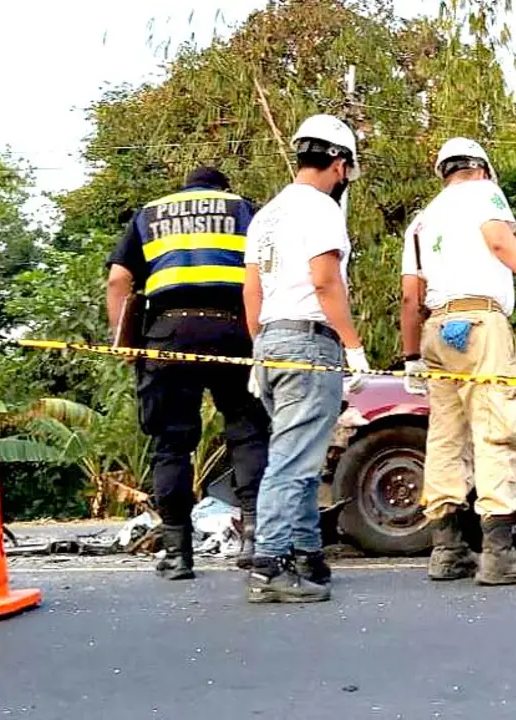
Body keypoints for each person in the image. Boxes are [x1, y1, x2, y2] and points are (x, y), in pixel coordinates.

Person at [399, 137, 516, 586]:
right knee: (499, 428)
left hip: (437, 329)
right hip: (481, 324)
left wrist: (411, 356)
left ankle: (447, 550)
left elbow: (410, 296)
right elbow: (499, 241)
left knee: (445, 437)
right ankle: (498, 554)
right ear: (480, 168)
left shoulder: (421, 220)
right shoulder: (483, 192)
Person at [105, 166, 269, 580]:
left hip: (169, 333)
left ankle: (178, 553)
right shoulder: (243, 208)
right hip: (234, 330)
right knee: (247, 431)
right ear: (223, 187)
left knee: (172, 444)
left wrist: (122, 341)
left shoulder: (150, 213)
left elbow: (118, 279)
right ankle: (254, 540)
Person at [242, 114, 371, 603]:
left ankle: (307, 555)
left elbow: (251, 290)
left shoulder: (268, 214)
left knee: (298, 454)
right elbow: (325, 280)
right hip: (309, 343)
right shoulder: (320, 208)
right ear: (339, 164)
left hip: (271, 341)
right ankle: (269, 566)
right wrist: (352, 345)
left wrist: (258, 348)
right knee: (292, 462)